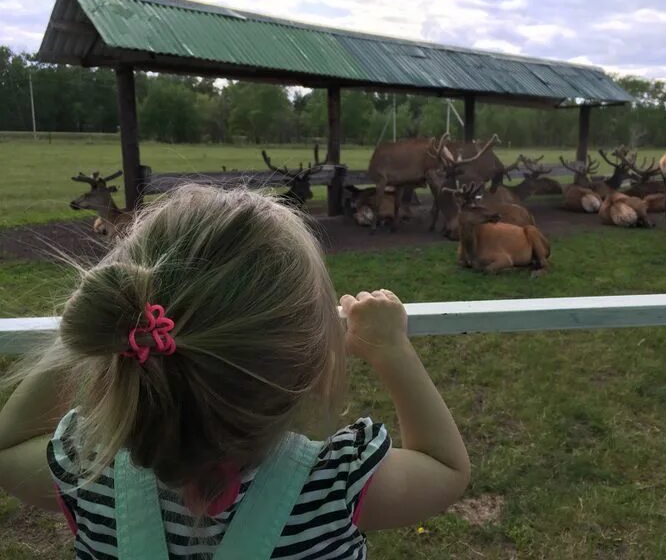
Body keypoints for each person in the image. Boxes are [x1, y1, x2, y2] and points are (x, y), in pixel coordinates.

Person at [0, 186, 470, 559]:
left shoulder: (89, 477)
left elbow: (6, 448)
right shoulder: (333, 485)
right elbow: (446, 469)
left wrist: (85, 329)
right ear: (308, 362)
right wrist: (391, 348)